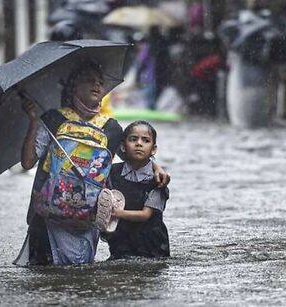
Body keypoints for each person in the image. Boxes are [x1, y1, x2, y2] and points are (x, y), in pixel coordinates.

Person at [14, 62, 170, 266]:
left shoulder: (111, 129)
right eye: (88, 80)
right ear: (73, 87)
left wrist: (158, 169)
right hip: (47, 218)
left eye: (100, 82)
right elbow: (27, 162)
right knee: (46, 279)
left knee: (80, 275)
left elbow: (136, 158)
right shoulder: (53, 120)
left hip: (87, 220)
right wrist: (33, 122)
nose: (96, 85)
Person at [104, 121, 170, 259]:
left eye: (145, 140)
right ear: (123, 146)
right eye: (133, 139)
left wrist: (116, 213)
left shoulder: (158, 180)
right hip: (121, 244)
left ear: (153, 149)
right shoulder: (112, 173)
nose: (139, 143)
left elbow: (145, 214)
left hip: (152, 247)